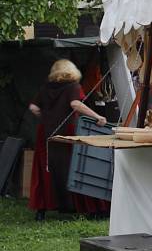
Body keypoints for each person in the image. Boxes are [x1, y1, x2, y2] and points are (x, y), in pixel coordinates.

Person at [28, 59, 108, 221]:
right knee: (76, 167)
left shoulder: (45, 88)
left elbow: (34, 107)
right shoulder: (73, 87)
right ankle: (85, 208)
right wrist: (97, 116)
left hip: (46, 134)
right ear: (71, 71)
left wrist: (46, 117)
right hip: (67, 133)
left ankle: (41, 211)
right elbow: (76, 104)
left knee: (46, 170)